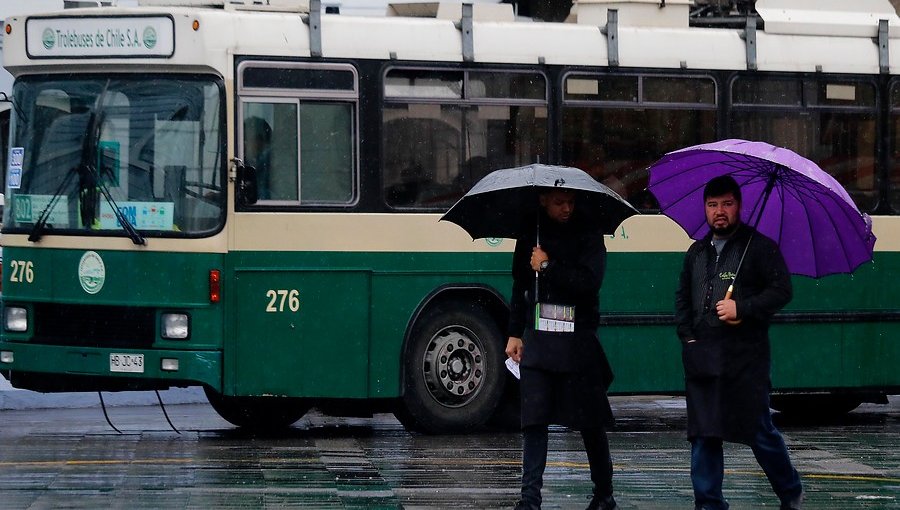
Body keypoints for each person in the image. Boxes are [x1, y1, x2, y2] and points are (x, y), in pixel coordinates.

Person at [674, 175, 803, 510]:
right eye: (713, 205)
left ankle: (790, 490)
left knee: (758, 431)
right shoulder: (696, 251)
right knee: (704, 433)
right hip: (702, 355)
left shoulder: (759, 247)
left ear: (739, 206)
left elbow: (781, 291)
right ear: (705, 208)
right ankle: (709, 503)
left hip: (746, 357)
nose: (720, 212)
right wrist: (687, 336)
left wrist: (742, 309)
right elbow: (682, 299)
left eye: (727, 204)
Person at [506, 188, 617, 510]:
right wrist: (514, 333)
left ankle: (604, 495)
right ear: (543, 201)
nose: (566, 208)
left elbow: (588, 283)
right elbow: (519, 284)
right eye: (558, 203)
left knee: (590, 421)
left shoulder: (589, 232)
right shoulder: (531, 230)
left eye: (570, 202)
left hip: (577, 340)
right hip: (538, 338)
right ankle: (529, 500)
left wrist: (548, 266)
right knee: (534, 421)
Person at [243, 116, 272, 199]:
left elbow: (267, 197)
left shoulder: (270, 163)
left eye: (246, 139)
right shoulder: (246, 161)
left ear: (260, 141)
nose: (244, 144)